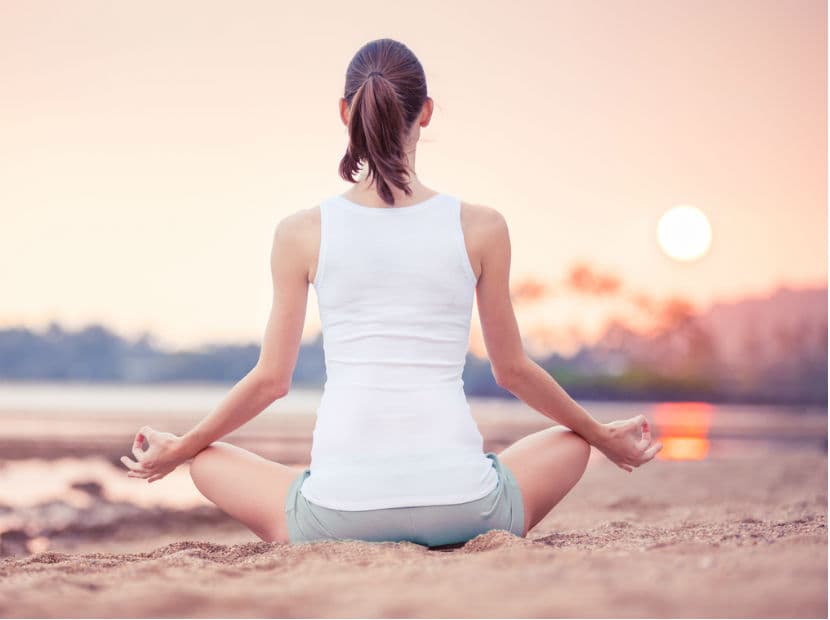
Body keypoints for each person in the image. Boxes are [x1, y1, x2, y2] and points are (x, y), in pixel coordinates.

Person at [120, 38, 662, 547]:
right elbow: (512, 370)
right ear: (425, 111)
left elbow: (271, 380)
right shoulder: (482, 226)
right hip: (465, 509)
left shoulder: (301, 231)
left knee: (209, 460)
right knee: (571, 441)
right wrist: (599, 434)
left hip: (337, 517)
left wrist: (181, 448)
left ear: (343, 112)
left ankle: (320, 500)